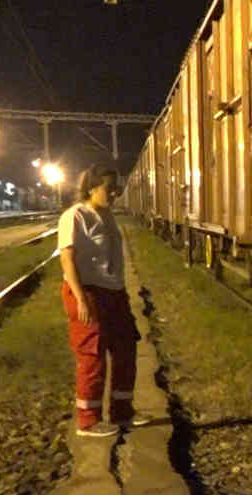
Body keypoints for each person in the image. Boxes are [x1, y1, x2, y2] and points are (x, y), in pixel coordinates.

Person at [58, 164, 149, 437]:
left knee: (125, 348)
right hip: (87, 291)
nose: (115, 194)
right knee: (93, 356)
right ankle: (88, 420)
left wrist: (120, 290)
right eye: (110, 188)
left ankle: (122, 412)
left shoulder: (107, 215)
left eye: (117, 189)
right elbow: (67, 258)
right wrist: (80, 299)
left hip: (113, 291)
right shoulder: (75, 216)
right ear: (92, 187)